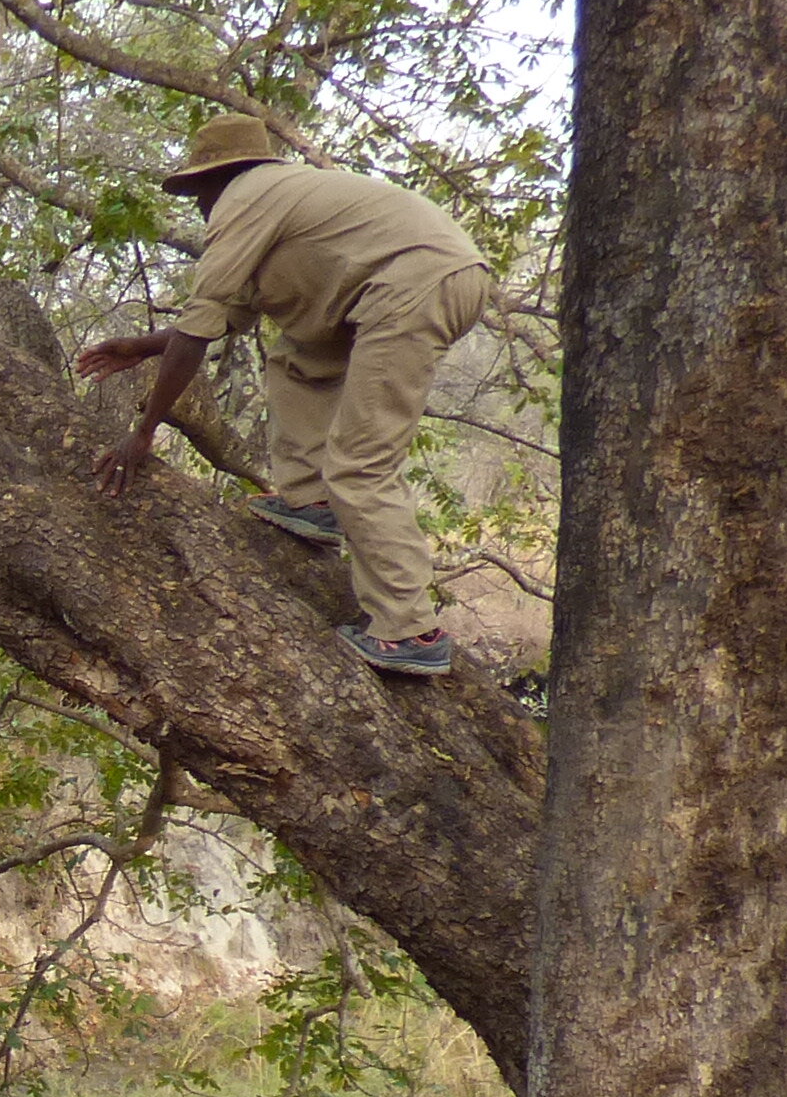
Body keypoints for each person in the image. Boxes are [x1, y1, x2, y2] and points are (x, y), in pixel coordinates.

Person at [74, 113, 496, 681]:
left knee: (361, 464)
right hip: (422, 281)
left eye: (196, 191)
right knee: (297, 355)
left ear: (215, 179)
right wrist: (145, 346)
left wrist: (144, 430)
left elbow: (198, 330)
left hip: (413, 288)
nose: (198, 207)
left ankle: (411, 631)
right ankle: (309, 502)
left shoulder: (245, 198)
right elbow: (231, 314)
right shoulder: (285, 199)